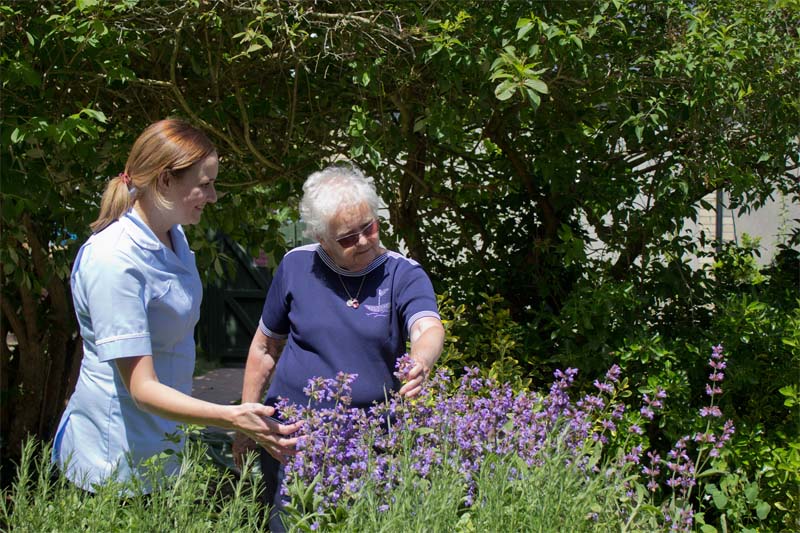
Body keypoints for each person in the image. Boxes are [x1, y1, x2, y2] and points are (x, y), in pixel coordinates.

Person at [52, 118, 300, 492]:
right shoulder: (115, 260)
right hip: (110, 466)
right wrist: (232, 417)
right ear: (165, 180)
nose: (214, 196)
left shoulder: (175, 238)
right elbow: (141, 388)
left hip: (160, 450)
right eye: (205, 184)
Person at [232, 165, 445, 531]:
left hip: (367, 444)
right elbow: (265, 347)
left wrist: (422, 360)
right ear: (321, 237)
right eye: (348, 237)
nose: (363, 240)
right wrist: (247, 423)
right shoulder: (296, 265)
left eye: (370, 227)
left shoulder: (402, 273)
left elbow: (427, 326)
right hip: (292, 439)